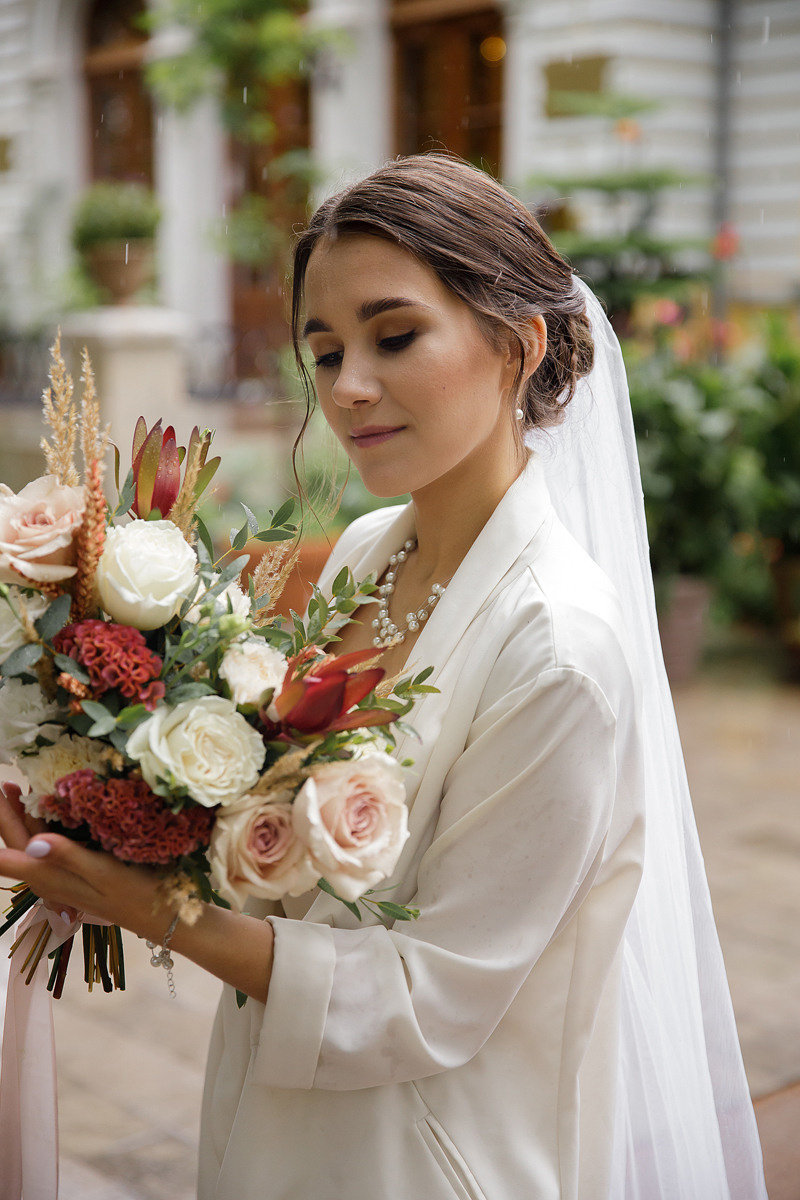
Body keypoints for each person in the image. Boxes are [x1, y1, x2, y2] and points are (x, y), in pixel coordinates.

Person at [0, 154, 766, 1200]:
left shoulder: (560, 654)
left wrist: (153, 910)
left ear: (515, 343)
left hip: (428, 1153)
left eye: (393, 336)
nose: (348, 385)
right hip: (275, 1110)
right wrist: (102, 804)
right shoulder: (367, 549)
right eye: (324, 351)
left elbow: (432, 992)